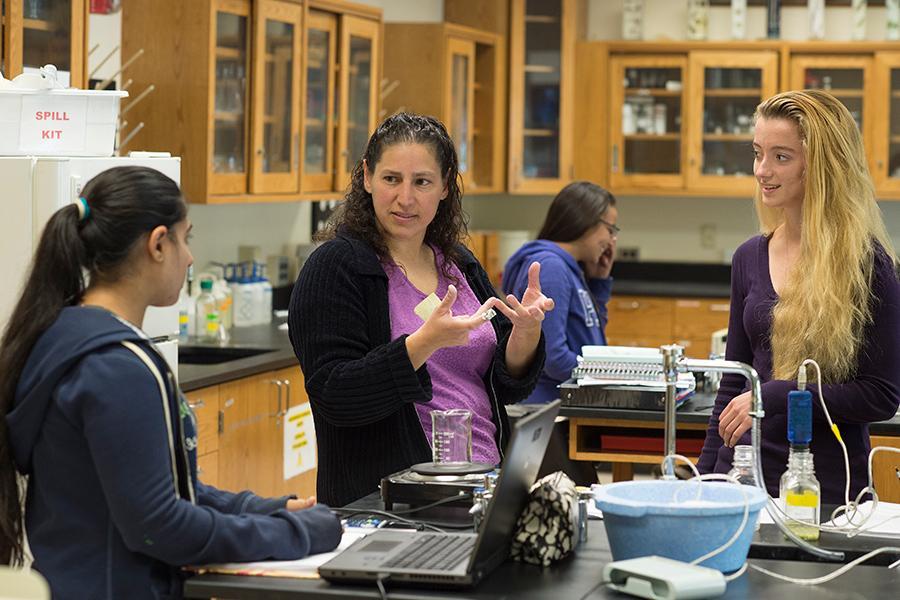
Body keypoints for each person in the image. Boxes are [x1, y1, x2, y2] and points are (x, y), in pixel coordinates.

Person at [0, 167, 342, 599]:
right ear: (158, 244)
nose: (190, 257)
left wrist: (267, 509)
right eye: (186, 238)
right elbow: (160, 526)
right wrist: (297, 534)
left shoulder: (64, 337)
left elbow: (166, 489)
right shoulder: (116, 368)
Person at [289, 113, 553, 507]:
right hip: (389, 501)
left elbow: (501, 382)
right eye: (391, 179)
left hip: (481, 485)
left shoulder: (457, 263)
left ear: (445, 186)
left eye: (422, 182)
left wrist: (525, 336)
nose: (405, 198)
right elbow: (334, 394)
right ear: (366, 177)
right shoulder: (337, 267)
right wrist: (421, 345)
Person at [697, 90, 900, 504]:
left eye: (781, 157)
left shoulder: (869, 266)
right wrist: (703, 480)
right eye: (758, 153)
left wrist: (779, 395)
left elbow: (882, 395)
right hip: (742, 481)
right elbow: (734, 382)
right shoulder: (748, 257)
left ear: (822, 167)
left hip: (826, 492)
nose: (762, 170)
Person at [503, 181, 618, 404]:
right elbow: (553, 358)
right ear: (587, 221)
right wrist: (608, 374)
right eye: (610, 229)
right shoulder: (552, 268)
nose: (612, 241)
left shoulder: (569, 268)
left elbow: (590, 339)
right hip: (551, 407)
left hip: (564, 402)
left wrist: (599, 283)